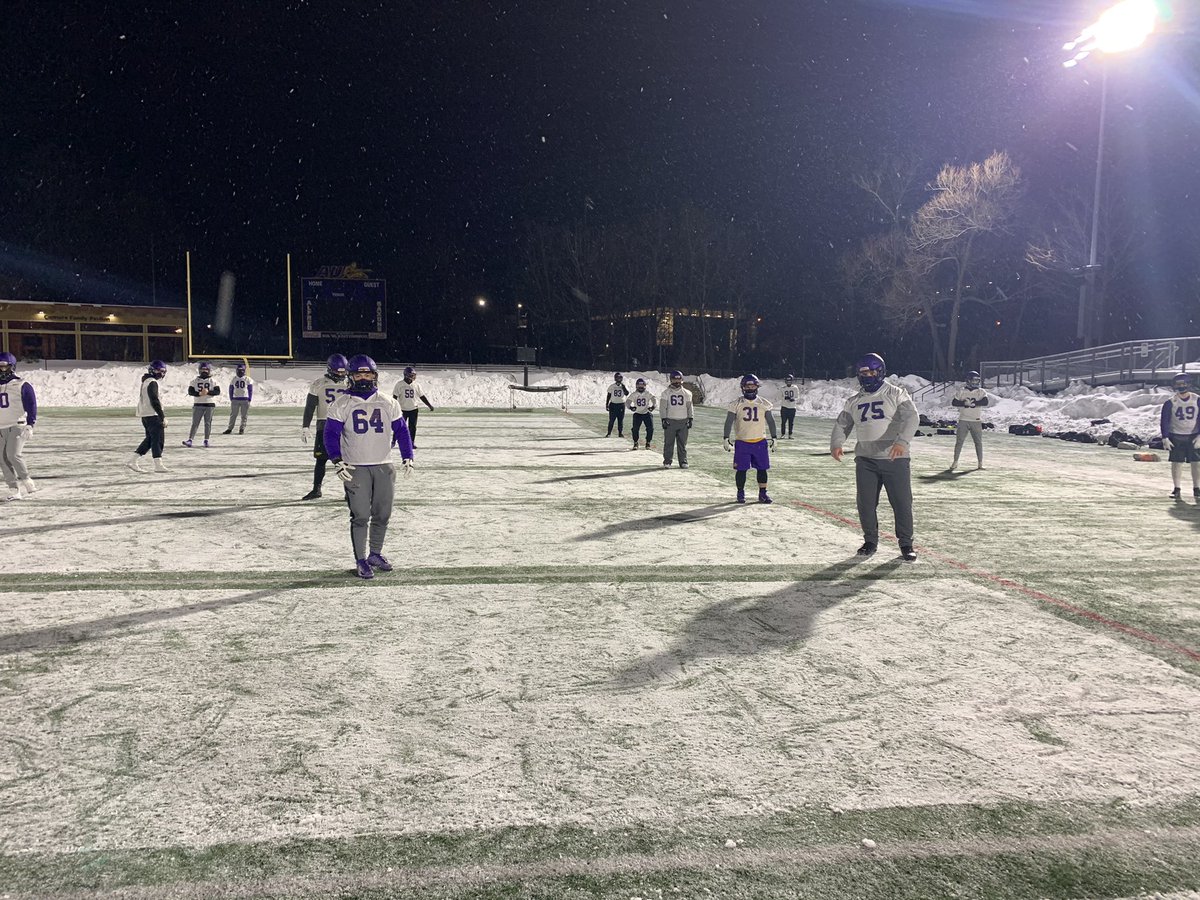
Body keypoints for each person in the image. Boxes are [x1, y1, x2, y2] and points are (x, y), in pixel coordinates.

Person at [324, 355, 415, 579]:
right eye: (359, 374)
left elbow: (402, 431)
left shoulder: (388, 402)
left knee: (383, 514)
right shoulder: (341, 404)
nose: (364, 378)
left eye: (368, 373)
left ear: (375, 376)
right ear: (351, 377)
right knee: (361, 515)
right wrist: (336, 459)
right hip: (355, 467)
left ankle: (375, 553)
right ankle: (361, 559)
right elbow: (331, 434)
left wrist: (408, 456)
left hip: (383, 464)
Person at [830, 352, 918, 561]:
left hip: (894, 458)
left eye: (871, 372)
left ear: (880, 372)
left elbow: (912, 418)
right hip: (865, 460)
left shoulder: (895, 393)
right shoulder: (854, 401)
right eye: (863, 373)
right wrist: (836, 443)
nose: (867, 376)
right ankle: (870, 540)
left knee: (902, 503)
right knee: (866, 504)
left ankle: (906, 543)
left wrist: (902, 442)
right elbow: (842, 424)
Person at [300, 353, 349, 500]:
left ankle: (349, 492)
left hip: (345, 425)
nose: (341, 375)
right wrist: (305, 426)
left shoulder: (350, 383)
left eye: (343, 372)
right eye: (338, 372)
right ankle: (316, 489)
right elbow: (310, 407)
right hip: (325, 425)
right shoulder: (319, 384)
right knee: (321, 459)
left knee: (347, 460)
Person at [723, 374, 777, 504]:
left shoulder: (764, 403)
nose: (750, 388)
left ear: (757, 387)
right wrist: (726, 437)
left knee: (762, 469)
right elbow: (729, 421)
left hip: (760, 441)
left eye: (752, 386)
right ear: (742, 387)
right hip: (742, 442)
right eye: (747, 386)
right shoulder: (736, 404)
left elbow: (771, 421)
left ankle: (763, 493)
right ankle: (740, 492)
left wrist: (774, 437)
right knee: (741, 470)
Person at [0, 352, 37, 500]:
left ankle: (27, 480)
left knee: (13, 454)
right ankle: (14, 489)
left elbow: (31, 405)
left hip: (17, 425)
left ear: (12, 366)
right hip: (0, 427)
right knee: (2, 459)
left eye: (4, 366)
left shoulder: (22, 384)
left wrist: (30, 424)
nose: (2, 369)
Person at [1160, 372, 1200, 501]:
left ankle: (1197, 488)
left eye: (1183, 383)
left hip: (1193, 435)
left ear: (1189, 384)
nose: (1181, 386)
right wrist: (1165, 437)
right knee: (1177, 462)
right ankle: (1177, 488)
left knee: (1196, 463)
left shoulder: (1197, 399)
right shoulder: (1171, 402)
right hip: (1176, 435)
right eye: (1178, 384)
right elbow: (1165, 420)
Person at [129, 360, 169, 473]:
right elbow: (154, 400)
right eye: (159, 370)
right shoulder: (152, 382)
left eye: (163, 371)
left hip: (146, 414)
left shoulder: (146, 381)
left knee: (150, 439)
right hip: (153, 415)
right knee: (158, 439)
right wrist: (162, 416)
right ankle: (158, 464)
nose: (161, 373)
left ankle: (133, 460)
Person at [950, 370, 990, 470]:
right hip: (963, 419)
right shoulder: (962, 391)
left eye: (977, 380)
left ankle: (980, 463)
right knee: (959, 442)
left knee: (978, 442)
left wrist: (975, 403)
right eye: (974, 380)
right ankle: (955, 461)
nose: (976, 382)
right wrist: (963, 403)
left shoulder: (981, 391)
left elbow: (985, 402)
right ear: (968, 380)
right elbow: (954, 402)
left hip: (976, 420)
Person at [392, 366, 434, 447]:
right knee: (399, 426)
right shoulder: (399, 384)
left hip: (413, 409)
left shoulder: (416, 385)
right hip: (402, 409)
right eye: (411, 375)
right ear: (406, 375)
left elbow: (422, 396)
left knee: (413, 427)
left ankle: (411, 442)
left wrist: (429, 405)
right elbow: (395, 397)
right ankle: (393, 440)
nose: (413, 377)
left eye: (414, 375)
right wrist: (394, 407)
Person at [182, 360, 221, 448]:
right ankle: (190, 439)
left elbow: (217, 391)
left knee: (207, 423)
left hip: (209, 404)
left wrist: (208, 392)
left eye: (206, 369)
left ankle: (206, 440)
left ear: (209, 370)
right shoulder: (194, 381)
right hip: (198, 403)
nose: (204, 371)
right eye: (203, 369)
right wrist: (199, 393)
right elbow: (190, 391)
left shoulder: (213, 381)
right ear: (199, 370)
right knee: (195, 423)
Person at [660, 370, 694, 468]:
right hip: (670, 421)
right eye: (674, 380)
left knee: (682, 443)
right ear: (671, 380)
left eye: (678, 380)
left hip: (683, 421)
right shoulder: (666, 393)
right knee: (668, 443)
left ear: (682, 380)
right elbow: (663, 407)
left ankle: (683, 461)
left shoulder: (687, 393)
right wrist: (663, 419)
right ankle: (667, 461)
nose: (676, 382)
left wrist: (691, 418)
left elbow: (689, 407)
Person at [222, 362, 253, 434]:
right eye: (239, 370)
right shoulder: (235, 379)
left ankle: (241, 428)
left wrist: (249, 398)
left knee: (243, 415)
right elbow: (231, 389)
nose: (240, 372)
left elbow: (250, 389)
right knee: (233, 415)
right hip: (236, 399)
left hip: (244, 399)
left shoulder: (247, 379)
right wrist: (231, 398)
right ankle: (230, 428)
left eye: (241, 370)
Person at [627, 376, 657, 449]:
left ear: (645, 386)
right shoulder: (634, 394)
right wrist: (630, 407)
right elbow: (627, 402)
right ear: (636, 386)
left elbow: (654, 399)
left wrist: (653, 406)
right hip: (637, 413)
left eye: (642, 385)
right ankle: (635, 442)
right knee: (635, 429)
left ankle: (648, 442)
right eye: (639, 385)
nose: (641, 387)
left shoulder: (647, 393)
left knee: (650, 428)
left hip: (646, 413)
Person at [604, 372, 628, 437]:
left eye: (620, 378)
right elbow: (608, 395)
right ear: (615, 378)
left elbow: (627, 393)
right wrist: (607, 404)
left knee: (620, 420)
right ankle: (609, 433)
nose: (618, 379)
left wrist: (623, 387)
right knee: (611, 420)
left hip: (621, 405)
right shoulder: (612, 386)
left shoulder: (623, 386)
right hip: (613, 405)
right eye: (617, 378)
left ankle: (620, 433)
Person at [780, 374, 800, 439]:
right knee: (783, 422)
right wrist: (785, 398)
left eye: (790, 381)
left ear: (792, 381)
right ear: (785, 381)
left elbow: (797, 397)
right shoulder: (783, 388)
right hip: (784, 407)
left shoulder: (795, 388)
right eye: (787, 381)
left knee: (791, 422)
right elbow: (780, 396)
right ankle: (783, 434)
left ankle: (790, 434)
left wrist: (793, 399)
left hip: (792, 407)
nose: (788, 382)